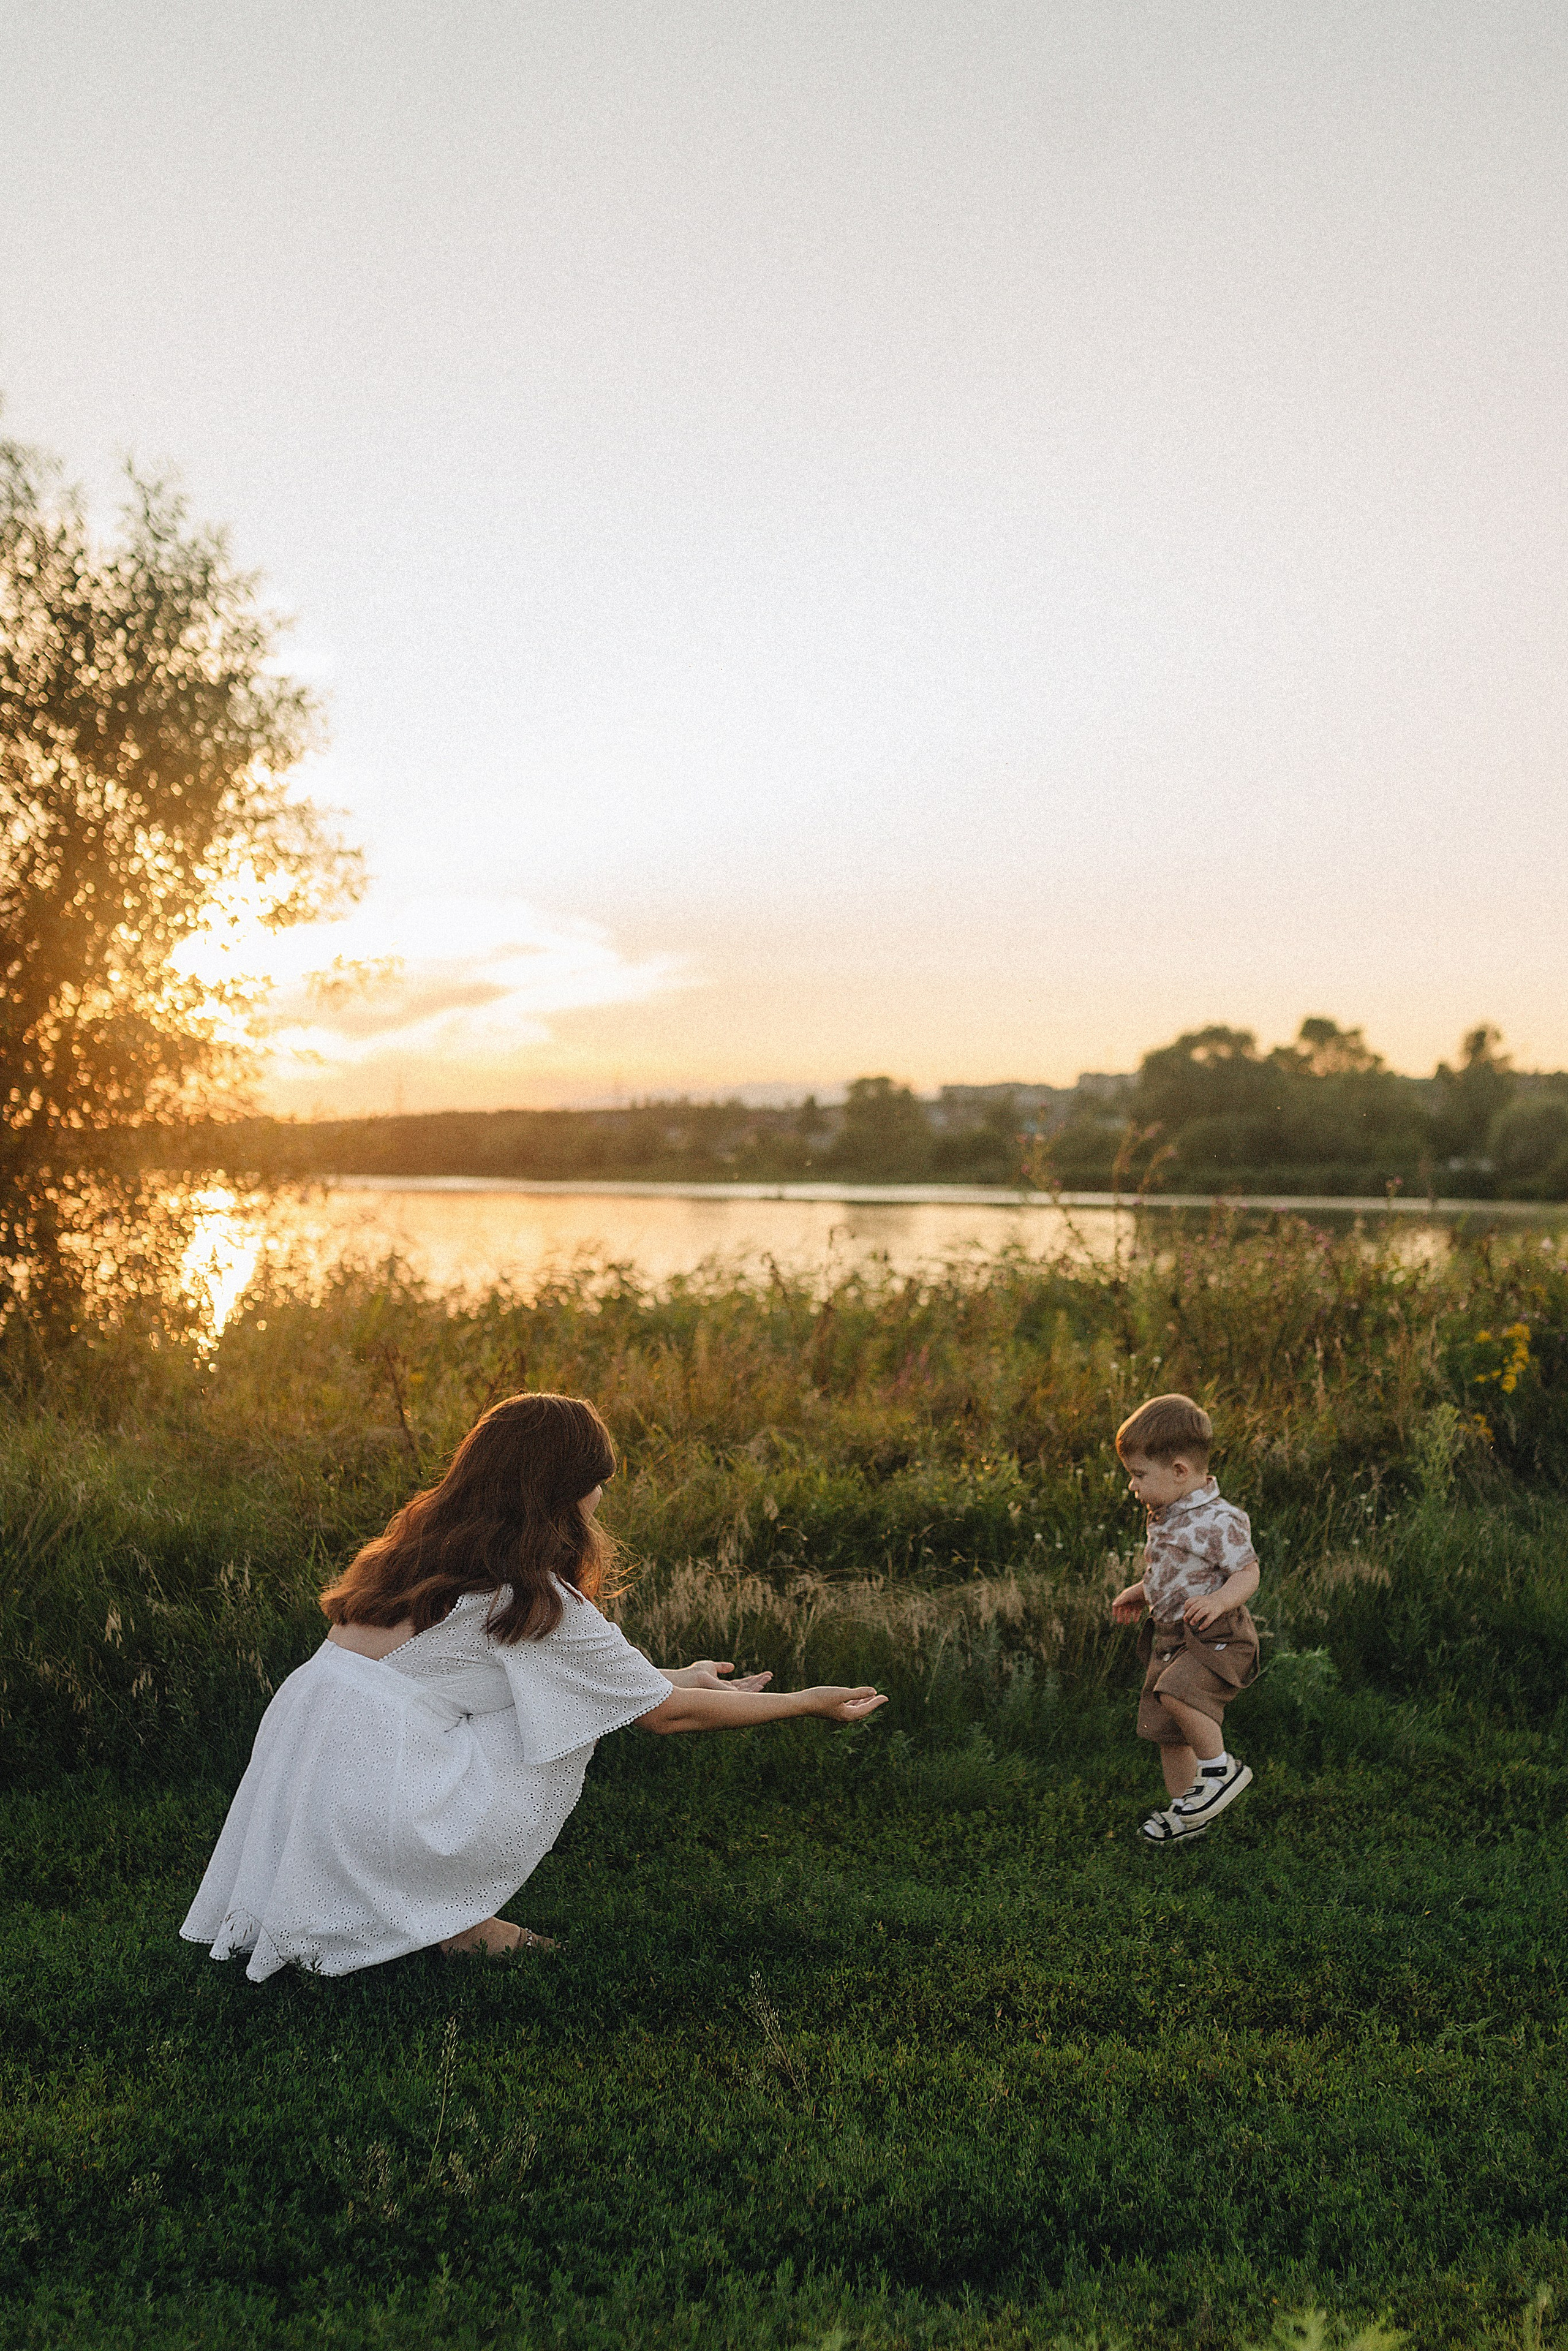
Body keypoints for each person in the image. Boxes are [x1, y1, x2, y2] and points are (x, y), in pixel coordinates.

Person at [182, 1393, 886, 1979]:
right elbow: (663, 1717)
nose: (603, 1493)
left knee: (555, 1704)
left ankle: (438, 1917)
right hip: (377, 1790)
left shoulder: (419, 1550)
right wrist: (805, 1701)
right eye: (598, 1478)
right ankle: (455, 1916)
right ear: (568, 1489)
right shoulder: (532, 1593)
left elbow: (546, 1679)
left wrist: (670, 1677)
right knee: (554, 1730)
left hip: (311, 1776)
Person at [1107, 1394, 1260, 1844]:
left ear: (1179, 1471)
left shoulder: (1220, 1519)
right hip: (1171, 1633)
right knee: (1169, 1731)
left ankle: (1220, 1770)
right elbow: (1173, 1569)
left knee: (1177, 1691)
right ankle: (1189, 1812)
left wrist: (1222, 1602)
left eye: (1138, 1475)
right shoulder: (1168, 1514)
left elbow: (1248, 1571)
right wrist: (1142, 1591)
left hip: (1216, 1632)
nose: (1133, 1487)